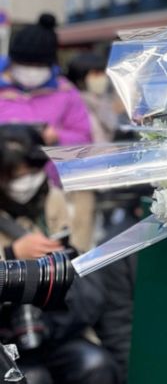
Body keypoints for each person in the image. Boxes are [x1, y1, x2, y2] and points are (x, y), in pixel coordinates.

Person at [0, 125, 120, 384]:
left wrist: (63, 256)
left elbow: (84, 267)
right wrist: (11, 255)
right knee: (32, 377)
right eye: (14, 176)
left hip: (57, 325)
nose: (24, 183)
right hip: (7, 335)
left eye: (30, 172)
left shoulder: (56, 199)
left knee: (95, 365)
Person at [0, 14, 92, 146]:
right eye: (24, 64)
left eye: (39, 65)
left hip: (48, 164)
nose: (31, 71)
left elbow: (84, 137)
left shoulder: (65, 92)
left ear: (51, 66)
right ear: (12, 62)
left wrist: (57, 136)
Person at [66, 54, 117, 144]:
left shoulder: (104, 101)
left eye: (103, 72)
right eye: (96, 73)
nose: (102, 77)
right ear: (80, 78)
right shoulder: (75, 105)